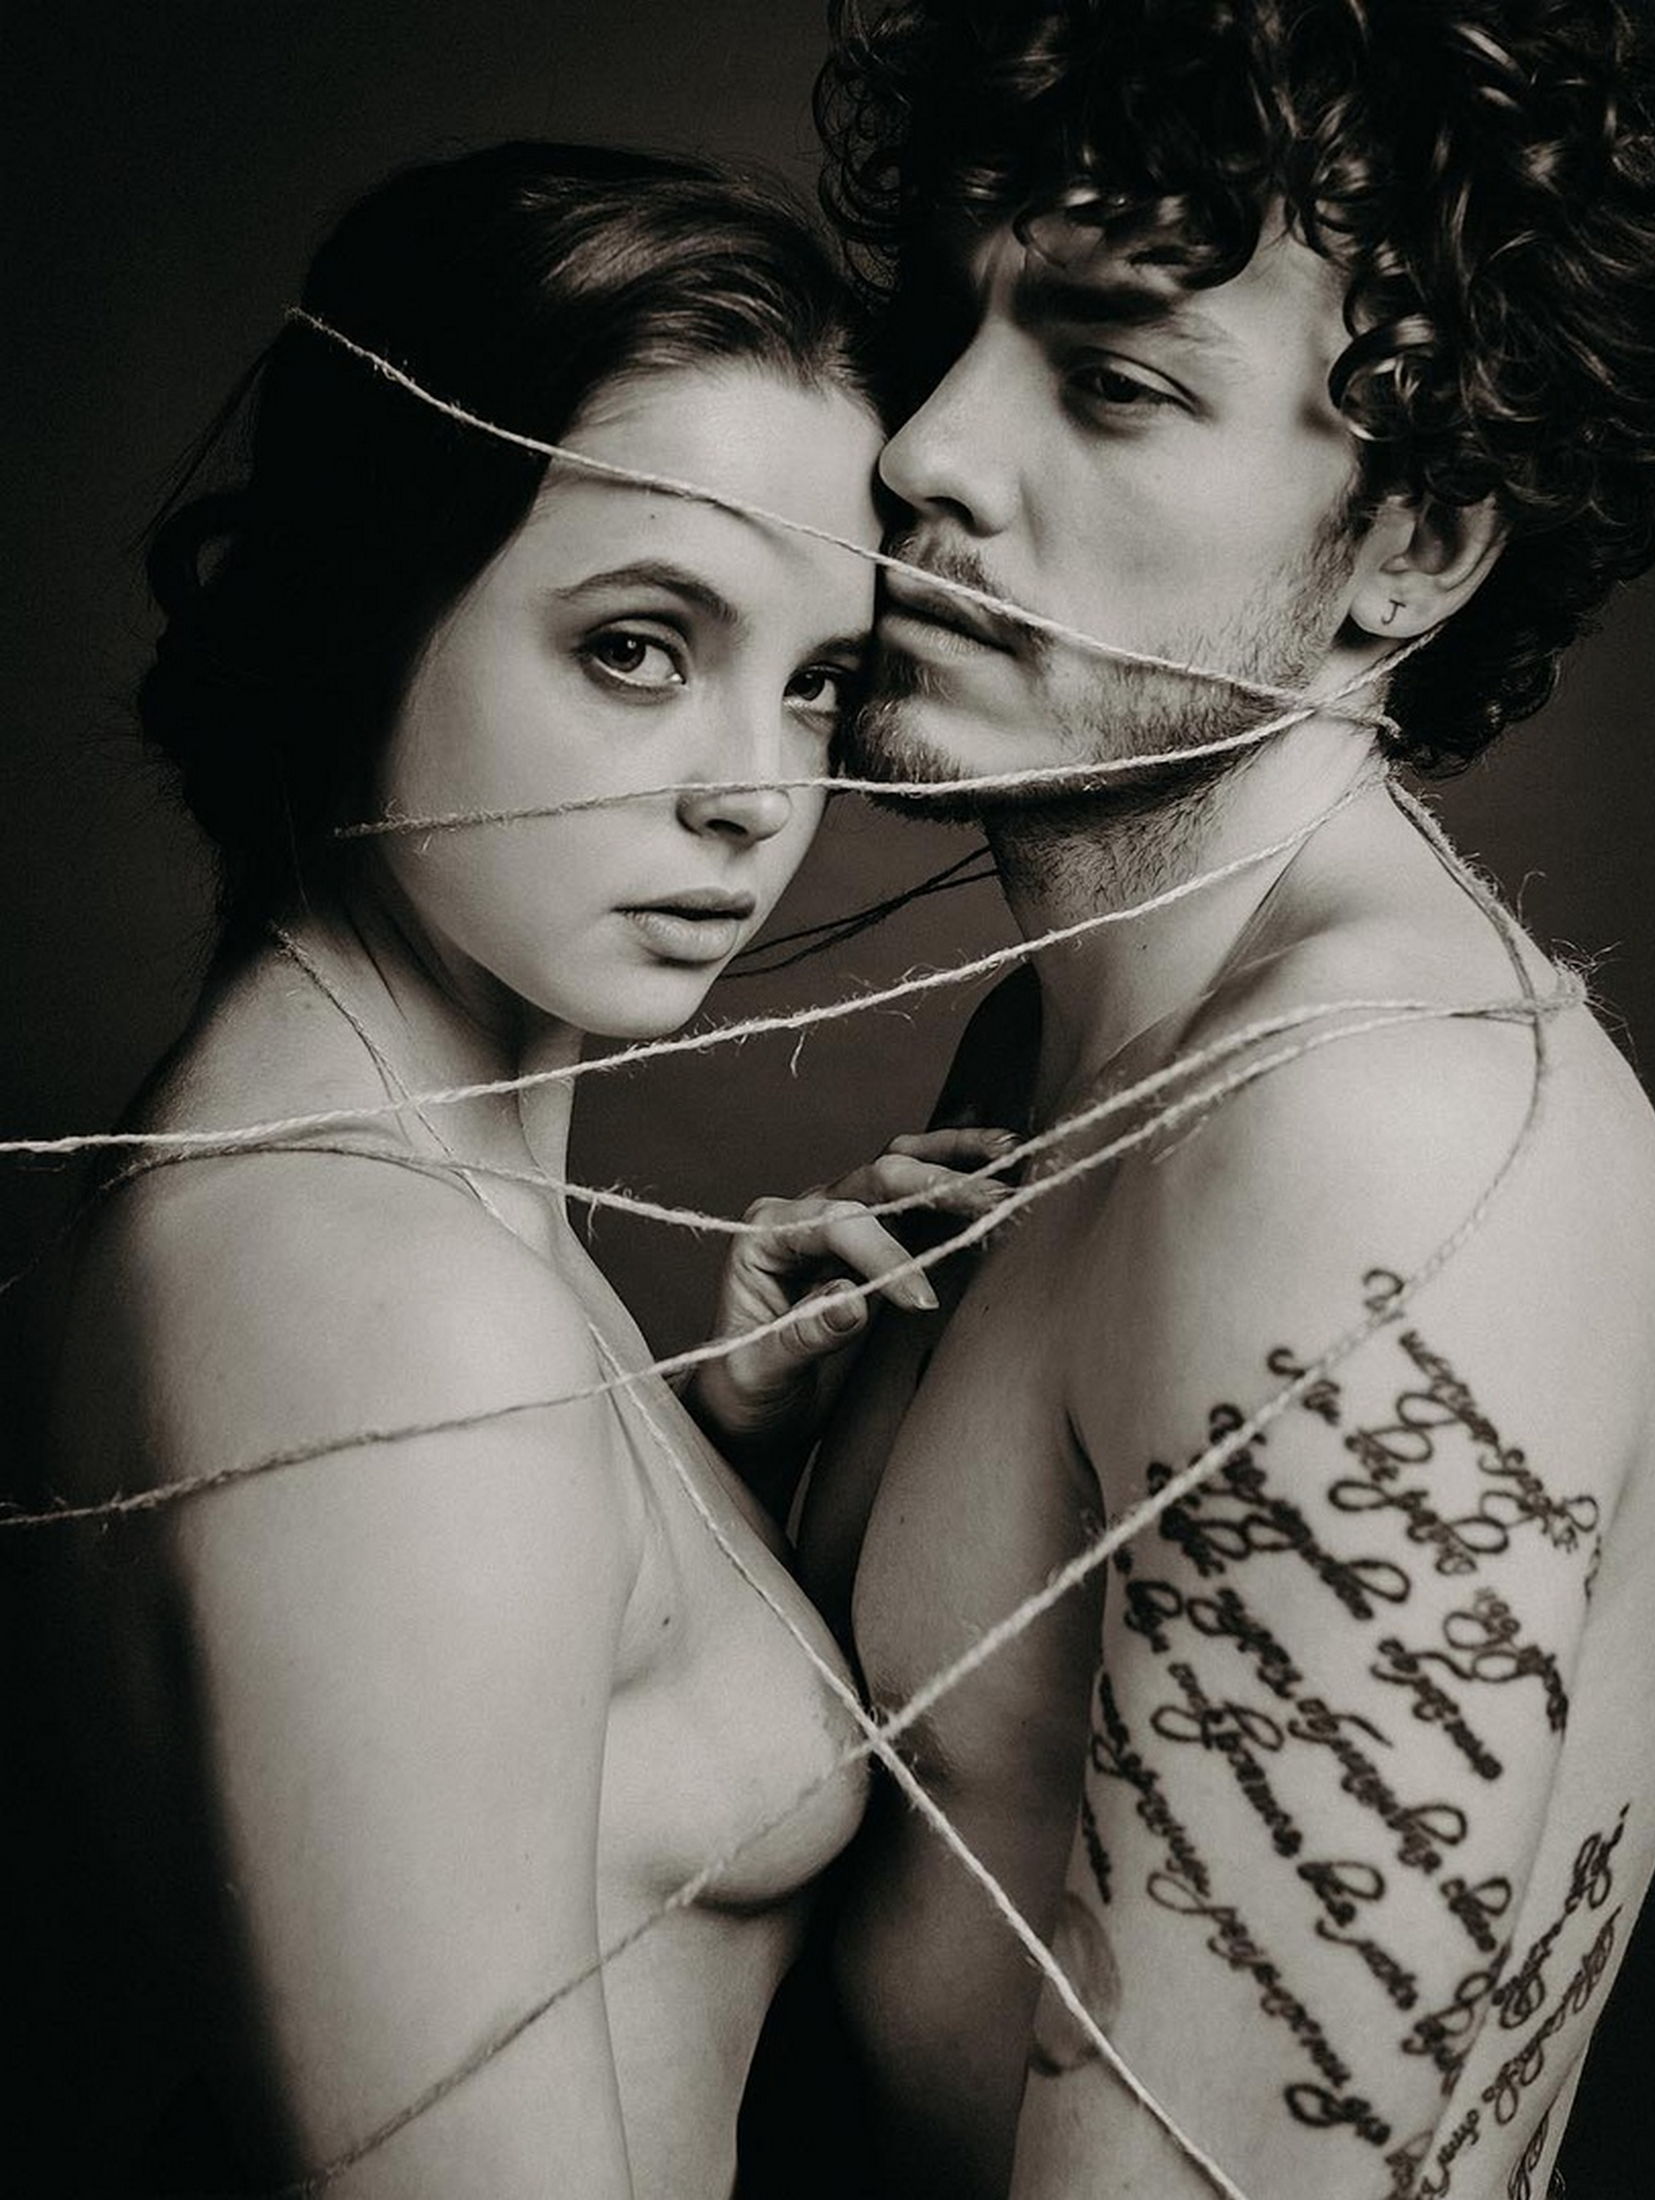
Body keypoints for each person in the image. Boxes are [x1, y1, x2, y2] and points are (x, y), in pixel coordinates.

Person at [792, 4, 1655, 2196]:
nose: (923, 451)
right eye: (950, 331)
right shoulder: (1063, 1042)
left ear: (1418, 543)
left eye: (1114, 379)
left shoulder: (1374, 1144)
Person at [39, 141, 1005, 2199]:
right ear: (371, 598)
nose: (757, 794)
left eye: (817, 678)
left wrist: (716, 1462)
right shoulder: (379, 1303)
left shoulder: (429, 1215)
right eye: (638, 645)